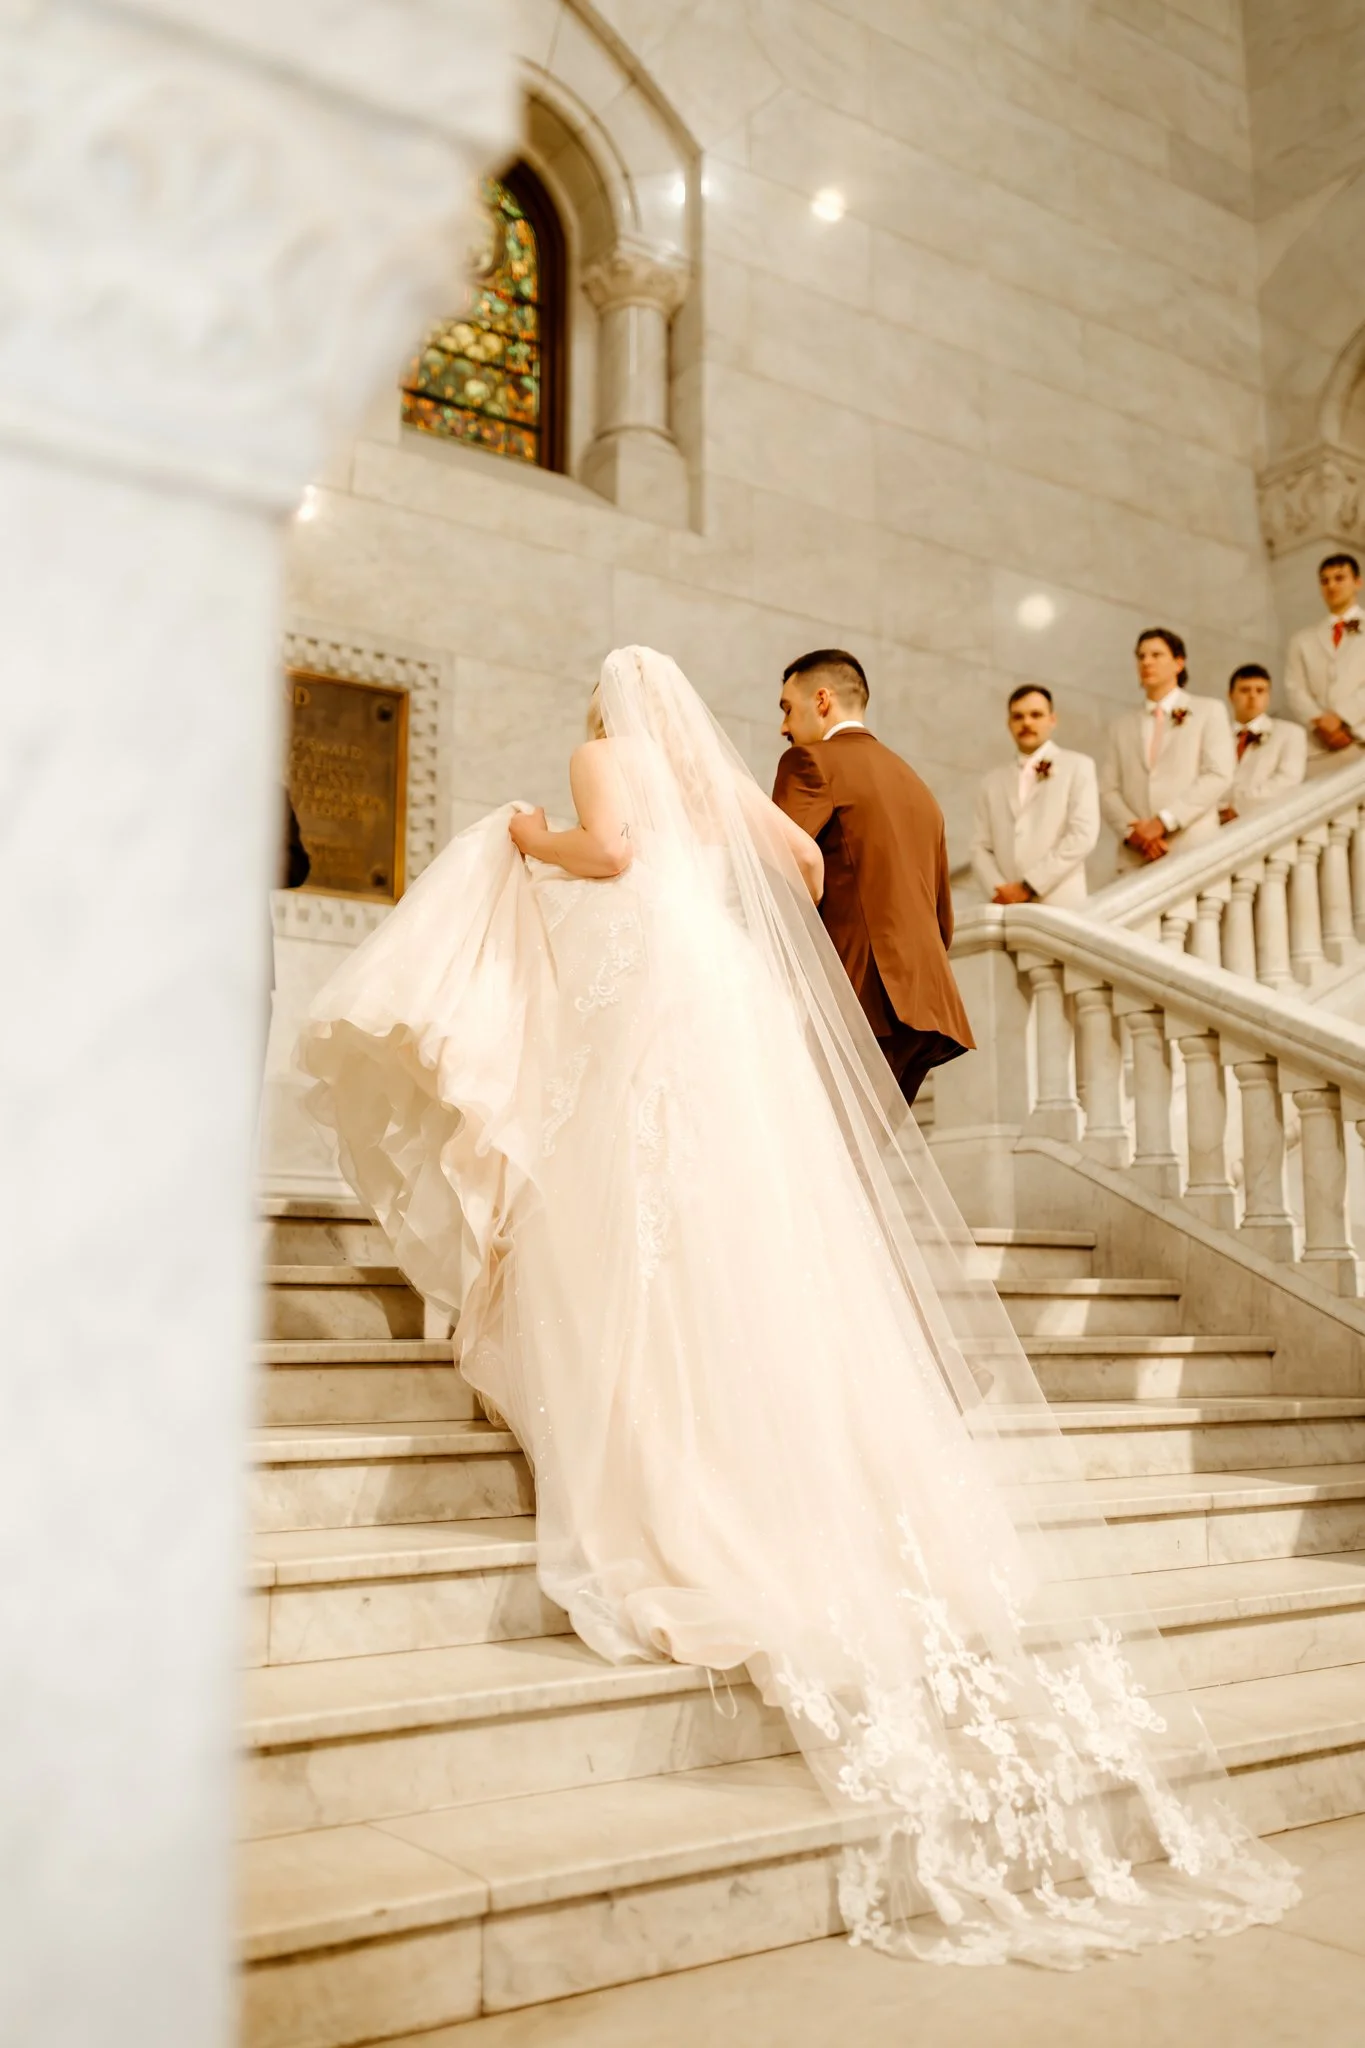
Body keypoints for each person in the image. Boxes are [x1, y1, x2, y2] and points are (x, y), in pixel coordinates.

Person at [299, 645, 1294, 1968]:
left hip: (653, 998)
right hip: (726, 994)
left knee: (632, 1205)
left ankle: (672, 1446)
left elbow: (604, 855)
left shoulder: (611, 759)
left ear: (604, 703)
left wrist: (531, 835)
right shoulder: (715, 777)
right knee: (736, 1217)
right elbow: (811, 871)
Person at [770, 648, 972, 1107]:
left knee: (811, 1160)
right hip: (923, 1008)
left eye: (787, 708)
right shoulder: (917, 786)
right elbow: (943, 920)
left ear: (822, 700)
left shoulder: (809, 763)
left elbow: (777, 877)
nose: (784, 727)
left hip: (853, 994)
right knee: (854, 1171)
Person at [1098, 628, 1233, 869]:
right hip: (1136, 855)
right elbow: (1108, 790)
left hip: (1192, 846)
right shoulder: (1121, 726)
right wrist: (1134, 831)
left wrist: (1163, 822)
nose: (1146, 662)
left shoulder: (1208, 711)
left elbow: (1218, 774)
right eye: (1141, 656)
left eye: (1156, 655)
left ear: (1179, 663)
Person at [970, 684, 1100, 907]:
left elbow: (1082, 835)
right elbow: (979, 846)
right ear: (1009, 723)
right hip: (1006, 906)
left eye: (1036, 715)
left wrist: (1030, 885)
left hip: (1060, 903)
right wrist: (998, 888)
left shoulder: (1078, 766)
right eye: (1018, 716)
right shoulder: (991, 782)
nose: (1026, 723)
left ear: (1052, 719)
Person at [1284, 552, 1365, 772]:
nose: (1331, 586)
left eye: (1339, 578)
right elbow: (1294, 688)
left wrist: (1342, 717)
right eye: (1325, 580)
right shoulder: (1302, 640)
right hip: (1320, 748)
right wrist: (1319, 721)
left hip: (1360, 736)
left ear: (1357, 582)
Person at [1219, 664, 1307, 825]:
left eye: (1260, 691)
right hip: (1214, 822)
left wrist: (1239, 807)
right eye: (1245, 690)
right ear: (1230, 695)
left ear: (1268, 696)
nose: (1252, 696)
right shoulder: (1218, 735)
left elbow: (1287, 780)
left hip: (1260, 821)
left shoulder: (1290, 733)